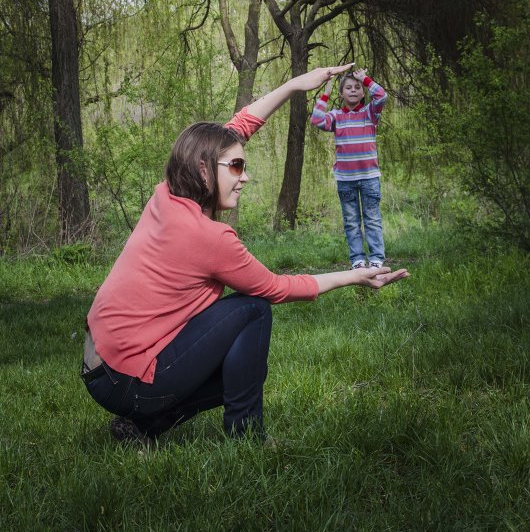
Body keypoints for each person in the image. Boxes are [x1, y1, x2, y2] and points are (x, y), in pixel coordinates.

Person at [82, 65, 407, 445]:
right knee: (252, 309)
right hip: (126, 381)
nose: (245, 176)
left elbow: (238, 128)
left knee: (243, 368)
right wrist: (355, 275)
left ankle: (143, 427)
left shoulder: (167, 194)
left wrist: (296, 85)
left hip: (99, 367)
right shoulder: (210, 237)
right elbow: (276, 288)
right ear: (204, 170)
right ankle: (247, 437)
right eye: (236, 166)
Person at [310, 68, 387, 269]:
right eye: (348, 88)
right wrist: (326, 92)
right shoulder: (336, 117)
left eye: (357, 87)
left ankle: (377, 259)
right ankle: (358, 260)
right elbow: (317, 119)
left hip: (370, 178)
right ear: (342, 94)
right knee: (352, 222)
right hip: (346, 180)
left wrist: (365, 79)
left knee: (372, 219)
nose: (353, 90)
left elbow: (381, 95)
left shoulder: (370, 113)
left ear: (362, 93)